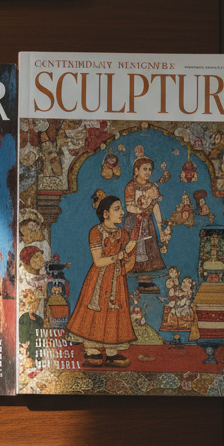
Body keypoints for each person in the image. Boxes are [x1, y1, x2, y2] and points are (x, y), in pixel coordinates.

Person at [64, 190, 137, 368]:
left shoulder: (123, 234)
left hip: (117, 279)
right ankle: (91, 349)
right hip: (99, 278)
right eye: (117, 209)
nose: (122, 213)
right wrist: (120, 255)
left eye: (121, 209)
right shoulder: (96, 232)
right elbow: (98, 261)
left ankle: (111, 352)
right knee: (94, 313)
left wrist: (129, 254)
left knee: (114, 313)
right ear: (106, 214)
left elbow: (127, 261)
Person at [124, 156, 168, 289]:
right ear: (136, 170)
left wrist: (160, 229)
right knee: (134, 248)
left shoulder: (152, 187)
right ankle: (132, 278)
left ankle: (146, 281)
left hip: (147, 223)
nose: (148, 172)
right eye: (145, 169)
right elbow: (129, 207)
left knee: (149, 248)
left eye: (150, 169)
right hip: (133, 222)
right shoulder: (131, 186)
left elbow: (155, 208)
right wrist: (141, 210)